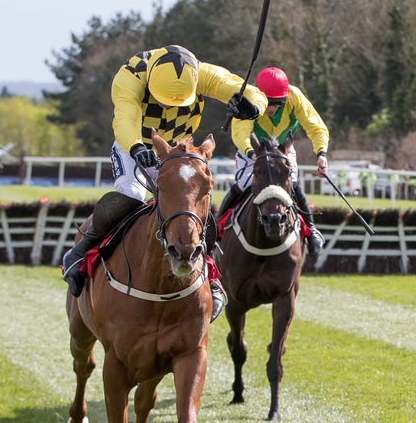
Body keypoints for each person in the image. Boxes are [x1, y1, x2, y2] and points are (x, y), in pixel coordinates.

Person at [62, 45, 268, 323]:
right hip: (135, 146)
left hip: (178, 151)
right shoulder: (131, 76)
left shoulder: (202, 74)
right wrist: (135, 147)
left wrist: (253, 108)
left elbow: (252, 92)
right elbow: (125, 118)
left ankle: (211, 275)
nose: (170, 107)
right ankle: (79, 253)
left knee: (193, 206)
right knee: (132, 195)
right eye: (162, 101)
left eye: (177, 102)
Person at [216, 66, 329, 257]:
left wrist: (321, 153)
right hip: (252, 151)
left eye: (278, 103)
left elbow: (316, 127)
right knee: (244, 183)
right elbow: (241, 132)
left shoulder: (295, 97)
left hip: (282, 150)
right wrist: (253, 153)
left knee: (291, 184)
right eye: (268, 102)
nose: (271, 108)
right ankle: (215, 230)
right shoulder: (248, 98)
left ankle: (311, 230)